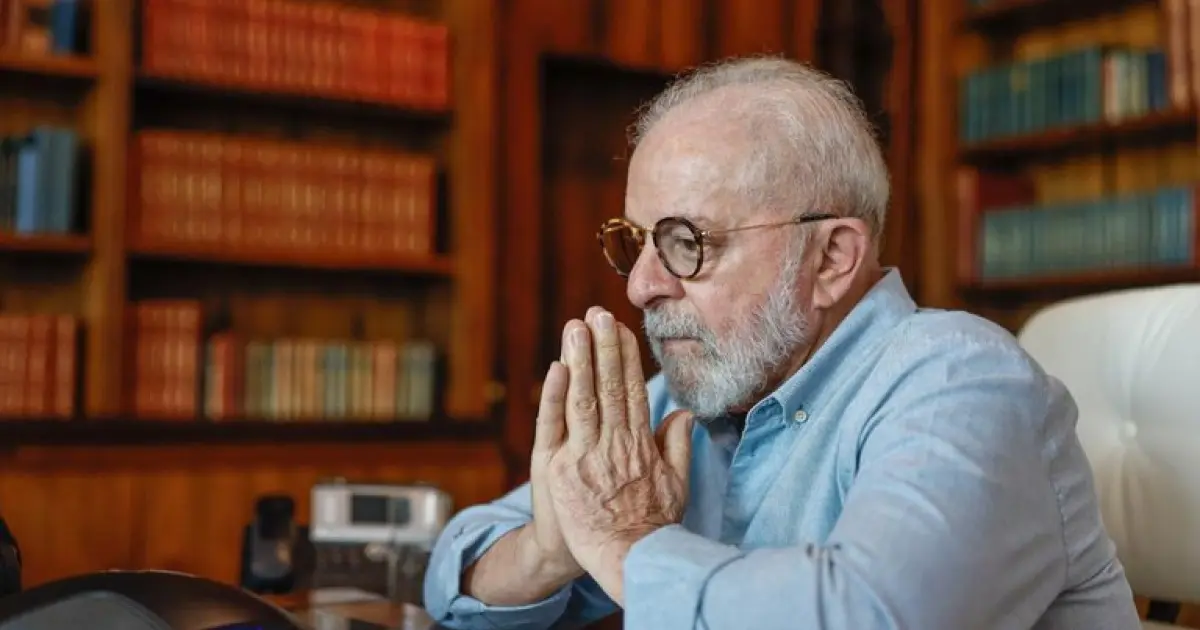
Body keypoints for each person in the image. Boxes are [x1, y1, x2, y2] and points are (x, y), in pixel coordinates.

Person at [423, 56, 1141, 629]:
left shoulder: (963, 380)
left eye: (685, 243)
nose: (640, 286)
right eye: (633, 243)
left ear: (831, 259)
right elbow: (454, 571)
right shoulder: (691, 394)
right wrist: (548, 551)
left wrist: (622, 544)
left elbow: (869, 615)